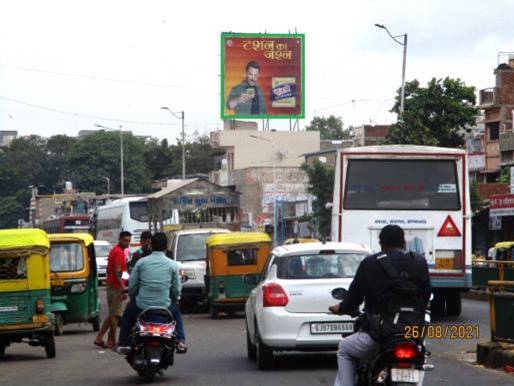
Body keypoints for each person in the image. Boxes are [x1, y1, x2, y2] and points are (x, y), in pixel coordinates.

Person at [329, 225, 431, 386]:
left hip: (379, 337)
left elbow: (353, 299)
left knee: (344, 349)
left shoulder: (370, 264)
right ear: (403, 242)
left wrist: (341, 308)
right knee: (420, 358)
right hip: (413, 335)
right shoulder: (419, 262)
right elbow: (426, 296)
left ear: (381, 243)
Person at [118, 232, 187, 353]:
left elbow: (133, 286)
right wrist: (174, 298)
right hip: (165, 306)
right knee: (177, 315)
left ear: (151, 245)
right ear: (166, 247)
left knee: (127, 315)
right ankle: (181, 342)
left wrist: (133, 297)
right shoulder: (172, 265)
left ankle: (123, 343)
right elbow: (176, 290)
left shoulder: (141, 262)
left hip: (141, 306)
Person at [95, 231, 131, 349]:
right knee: (115, 316)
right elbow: (117, 271)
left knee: (112, 314)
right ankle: (113, 341)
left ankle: (100, 337)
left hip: (113, 286)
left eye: (129, 241)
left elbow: (121, 271)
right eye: (125, 240)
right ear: (120, 239)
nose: (128, 243)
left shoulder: (116, 250)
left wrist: (124, 283)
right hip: (116, 287)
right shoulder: (119, 252)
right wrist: (122, 287)